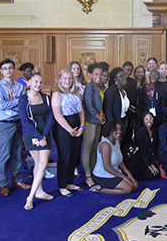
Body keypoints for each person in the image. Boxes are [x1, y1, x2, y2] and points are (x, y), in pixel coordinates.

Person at [0, 58, 30, 197]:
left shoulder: (19, 86)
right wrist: (16, 102)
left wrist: (14, 104)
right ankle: (3, 184)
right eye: (5, 68)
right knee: (3, 155)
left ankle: (17, 180)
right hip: (5, 124)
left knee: (16, 154)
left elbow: (22, 105)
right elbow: (0, 105)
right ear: (1, 71)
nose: (8, 70)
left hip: (17, 122)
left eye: (10, 68)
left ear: (14, 69)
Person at [18, 70, 55, 210]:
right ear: (30, 83)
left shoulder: (45, 97)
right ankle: (35, 193)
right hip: (30, 136)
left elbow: (50, 117)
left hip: (44, 135)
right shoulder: (23, 99)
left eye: (40, 82)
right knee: (40, 163)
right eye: (35, 82)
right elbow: (25, 121)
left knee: (42, 164)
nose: (38, 84)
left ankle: (32, 195)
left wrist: (44, 136)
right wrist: (38, 137)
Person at [51, 69, 84, 197]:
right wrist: (70, 129)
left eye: (70, 78)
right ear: (60, 79)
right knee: (65, 156)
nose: (67, 81)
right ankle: (62, 185)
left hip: (77, 126)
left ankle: (70, 182)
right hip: (63, 129)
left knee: (74, 155)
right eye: (65, 78)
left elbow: (81, 111)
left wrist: (81, 126)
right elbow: (57, 115)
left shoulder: (75, 92)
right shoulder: (57, 94)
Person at [90, 120, 138, 195]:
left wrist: (128, 173)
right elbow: (107, 167)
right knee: (128, 189)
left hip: (114, 172)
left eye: (120, 129)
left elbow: (120, 161)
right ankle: (100, 189)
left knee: (135, 186)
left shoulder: (116, 141)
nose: (119, 132)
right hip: (103, 176)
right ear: (109, 131)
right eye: (115, 129)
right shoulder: (105, 145)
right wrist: (123, 177)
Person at [82, 63, 106, 188]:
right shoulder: (89, 88)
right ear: (91, 75)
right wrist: (99, 116)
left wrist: (102, 116)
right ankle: (87, 175)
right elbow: (88, 106)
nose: (99, 76)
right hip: (90, 122)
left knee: (94, 148)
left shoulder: (99, 87)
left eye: (101, 74)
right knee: (87, 149)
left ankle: (92, 171)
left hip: (97, 122)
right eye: (96, 74)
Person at [134, 112, 159, 181]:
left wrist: (153, 163)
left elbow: (154, 148)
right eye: (146, 119)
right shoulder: (140, 132)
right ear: (143, 120)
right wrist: (149, 165)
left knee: (157, 173)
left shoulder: (155, 130)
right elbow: (141, 151)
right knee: (150, 176)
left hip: (150, 157)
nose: (149, 121)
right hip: (141, 159)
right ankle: (134, 171)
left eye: (151, 119)